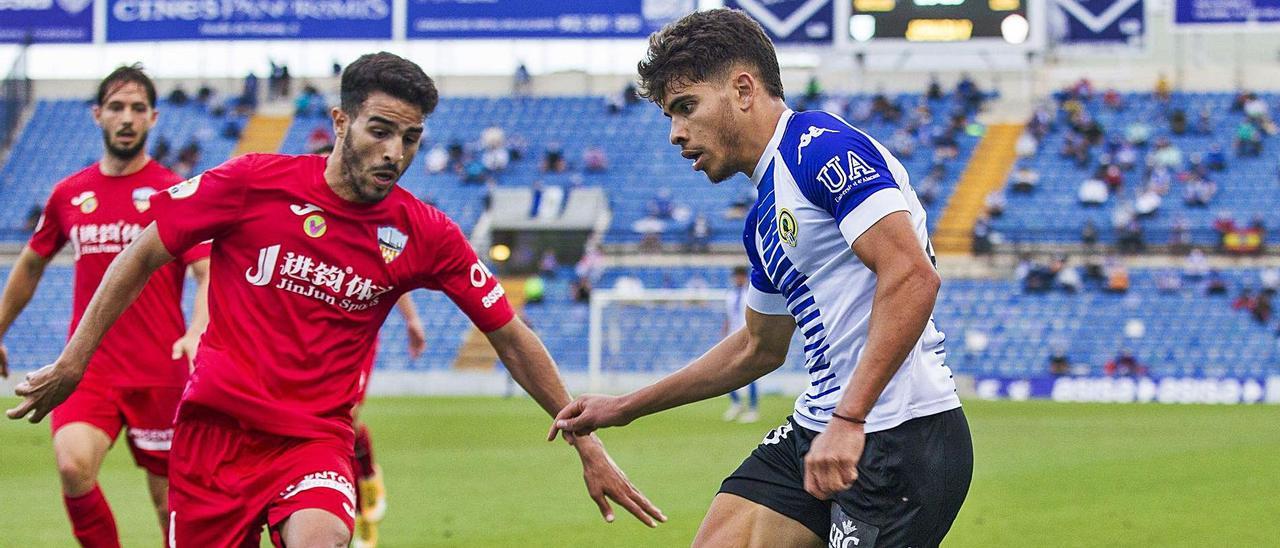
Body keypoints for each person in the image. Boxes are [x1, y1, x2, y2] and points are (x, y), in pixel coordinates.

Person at [8, 52, 663, 547]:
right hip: (212, 439)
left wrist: (587, 442)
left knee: (322, 537)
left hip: (312, 443)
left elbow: (511, 335)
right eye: (381, 130)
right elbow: (142, 251)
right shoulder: (251, 184)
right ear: (341, 120)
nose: (395, 152)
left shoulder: (423, 231)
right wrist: (72, 362)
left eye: (410, 139)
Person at [549, 10, 971, 548]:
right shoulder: (762, 218)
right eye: (669, 116)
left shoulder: (820, 148)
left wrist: (849, 417)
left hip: (898, 434)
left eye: (686, 107)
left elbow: (913, 276)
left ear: (743, 89)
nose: (677, 134)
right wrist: (626, 406)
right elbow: (757, 347)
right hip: (822, 425)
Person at [0, 64, 212, 546]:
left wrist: (198, 328)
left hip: (162, 370)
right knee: (73, 465)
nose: (127, 117)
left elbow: (208, 269)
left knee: (171, 508)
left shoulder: (174, 194)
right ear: (97, 115)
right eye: (116, 107)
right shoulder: (69, 194)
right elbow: (31, 265)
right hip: (87, 368)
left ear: (154, 119)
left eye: (138, 108)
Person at [722, 266, 758, 423]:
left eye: (740, 276)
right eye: (736, 276)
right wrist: (724, 332)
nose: (738, 279)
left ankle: (752, 409)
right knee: (727, 373)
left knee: (750, 374)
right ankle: (736, 403)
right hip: (732, 338)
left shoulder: (751, 293)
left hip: (747, 337)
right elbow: (729, 316)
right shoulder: (730, 295)